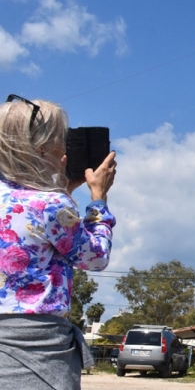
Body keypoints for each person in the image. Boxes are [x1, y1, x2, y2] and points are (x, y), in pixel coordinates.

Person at [0, 95, 117, 390]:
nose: (65, 148)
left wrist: (62, 188)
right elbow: (95, 257)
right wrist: (98, 200)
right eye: (61, 139)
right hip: (37, 347)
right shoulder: (51, 204)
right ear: (41, 148)